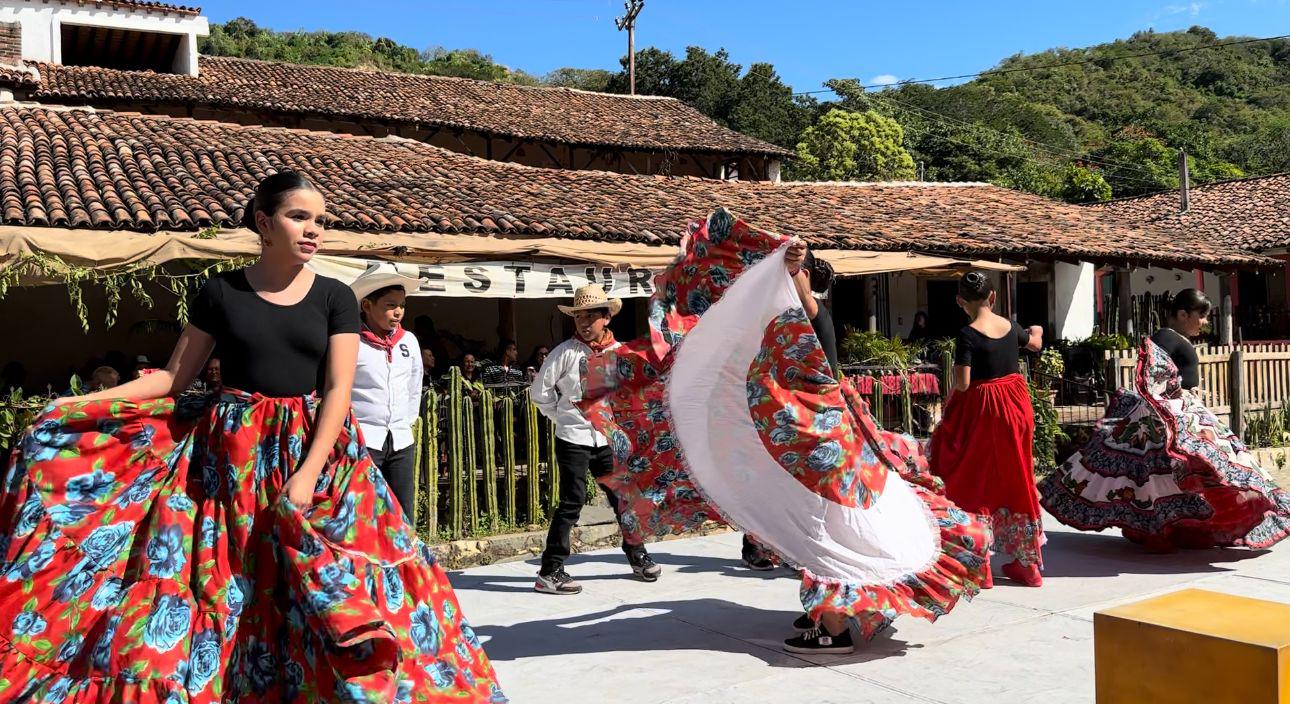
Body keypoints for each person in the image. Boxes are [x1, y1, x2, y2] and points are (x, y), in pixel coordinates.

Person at [0, 172, 504, 701]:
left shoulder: (333, 296)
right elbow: (175, 378)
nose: (314, 230)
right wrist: (78, 404)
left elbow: (337, 391)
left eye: (321, 221)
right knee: (229, 585)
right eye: (299, 217)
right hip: (230, 463)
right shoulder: (220, 292)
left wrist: (308, 473)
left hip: (321, 459)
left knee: (331, 584)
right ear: (264, 223)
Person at [577, 209, 989, 655]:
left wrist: (791, 264)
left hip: (820, 446)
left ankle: (832, 627)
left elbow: (794, 306)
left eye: (795, 278)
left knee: (819, 530)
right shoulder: (790, 323)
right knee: (824, 526)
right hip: (822, 443)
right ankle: (833, 611)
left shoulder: (810, 315)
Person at [1040, 289, 1290, 551]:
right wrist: (1171, 398)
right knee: (1166, 473)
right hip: (1169, 414)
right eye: (1201, 316)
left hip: (1176, 411)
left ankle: (1176, 526)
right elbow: (1152, 372)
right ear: (1183, 314)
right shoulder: (1165, 338)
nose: (1205, 322)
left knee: (1179, 472)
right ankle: (1164, 527)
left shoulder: (1173, 337)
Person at [531, 284, 661, 594]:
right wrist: (562, 417)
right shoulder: (565, 353)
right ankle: (550, 570)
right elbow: (540, 393)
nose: (584, 323)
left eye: (591, 316)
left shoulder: (620, 353)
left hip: (607, 439)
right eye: (579, 317)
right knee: (571, 502)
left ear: (606, 318)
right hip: (574, 438)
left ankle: (637, 555)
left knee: (623, 500)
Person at [929, 271, 1046, 587]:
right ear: (993, 297)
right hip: (1016, 405)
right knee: (1018, 476)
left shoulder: (967, 334)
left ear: (959, 302)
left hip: (984, 409)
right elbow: (1034, 343)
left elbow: (964, 383)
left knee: (973, 477)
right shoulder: (1010, 326)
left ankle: (979, 564)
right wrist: (1037, 330)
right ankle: (1028, 564)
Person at [350, 261, 424, 524]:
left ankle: (405, 564)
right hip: (363, 439)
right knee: (364, 509)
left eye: (402, 305)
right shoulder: (352, 342)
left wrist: (407, 422)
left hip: (401, 438)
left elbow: (415, 385)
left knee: (403, 511)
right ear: (367, 305)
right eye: (390, 305)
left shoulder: (408, 341)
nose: (398, 312)